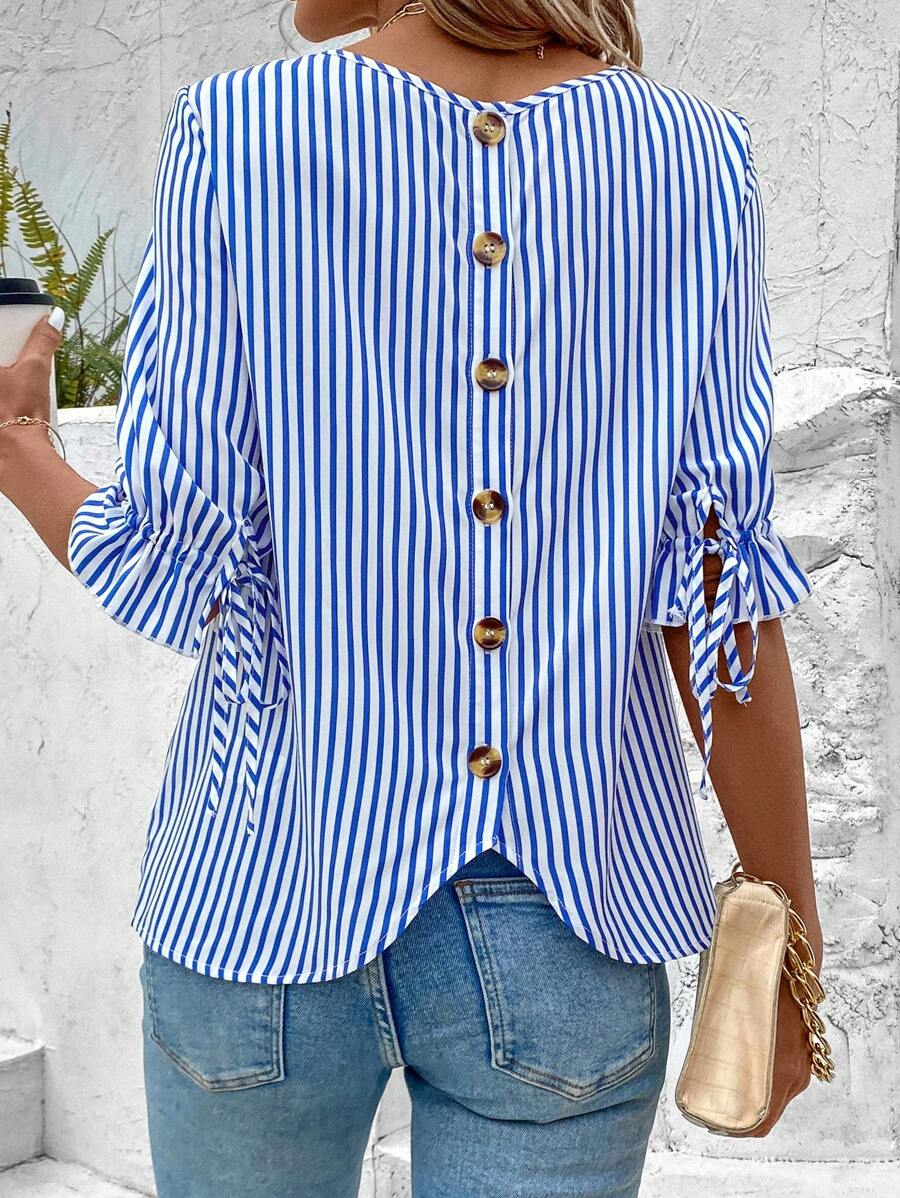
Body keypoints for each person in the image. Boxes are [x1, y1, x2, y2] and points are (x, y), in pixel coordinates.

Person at [0, 2, 823, 1194]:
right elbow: (720, 594)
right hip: (569, 919)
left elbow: (168, 560)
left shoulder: (240, 132)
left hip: (259, 894)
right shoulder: (696, 158)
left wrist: (21, 445)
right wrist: (793, 944)